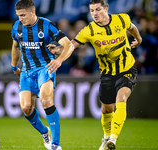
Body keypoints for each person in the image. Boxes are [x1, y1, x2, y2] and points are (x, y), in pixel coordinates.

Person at [47, 0, 142, 150]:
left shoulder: (122, 18)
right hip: (107, 74)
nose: (95, 14)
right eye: (92, 11)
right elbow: (72, 45)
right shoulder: (88, 30)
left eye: (98, 10)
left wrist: (138, 38)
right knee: (106, 110)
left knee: (121, 98)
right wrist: (59, 50)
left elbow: (132, 27)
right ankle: (105, 139)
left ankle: (113, 139)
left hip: (127, 69)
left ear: (106, 8)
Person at [10, 0, 72, 150]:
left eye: (23, 15)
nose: (20, 19)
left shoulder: (48, 26)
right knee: (26, 107)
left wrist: (59, 60)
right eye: (18, 15)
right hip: (26, 70)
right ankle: (45, 132)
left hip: (45, 67)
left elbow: (68, 44)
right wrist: (13, 66)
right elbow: (15, 45)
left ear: (32, 12)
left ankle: (56, 144)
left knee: (45, 100)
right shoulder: (16, 27)